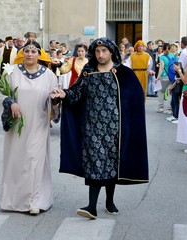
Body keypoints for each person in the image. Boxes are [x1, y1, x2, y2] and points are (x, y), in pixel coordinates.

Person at [51, 37, 148, 219]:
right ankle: (91, 206)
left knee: (112, 164)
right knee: (94, 162)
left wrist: (131, 126)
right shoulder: (88, 71)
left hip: (115, 128)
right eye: (97, 51)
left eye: (104, 51)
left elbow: (135, 100)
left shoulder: (123, 73)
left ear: (111, 52)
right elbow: (76, 93)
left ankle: (109, 201)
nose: (100, 55)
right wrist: (64, 94)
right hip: (92, 127)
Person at [0, 40, 59, 215]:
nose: (30, 54)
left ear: (40, 55)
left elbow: (54, 100)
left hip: (38, 124)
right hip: (17, 124)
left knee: (34, 160)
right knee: (16, 161)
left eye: (34, 51)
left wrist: (55, 101)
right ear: (22, 53)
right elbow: (0, 93)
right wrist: (11, 103)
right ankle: (13, 200)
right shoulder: (12, 73)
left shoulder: (49, 76)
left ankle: (35, 200)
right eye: (27, 51)